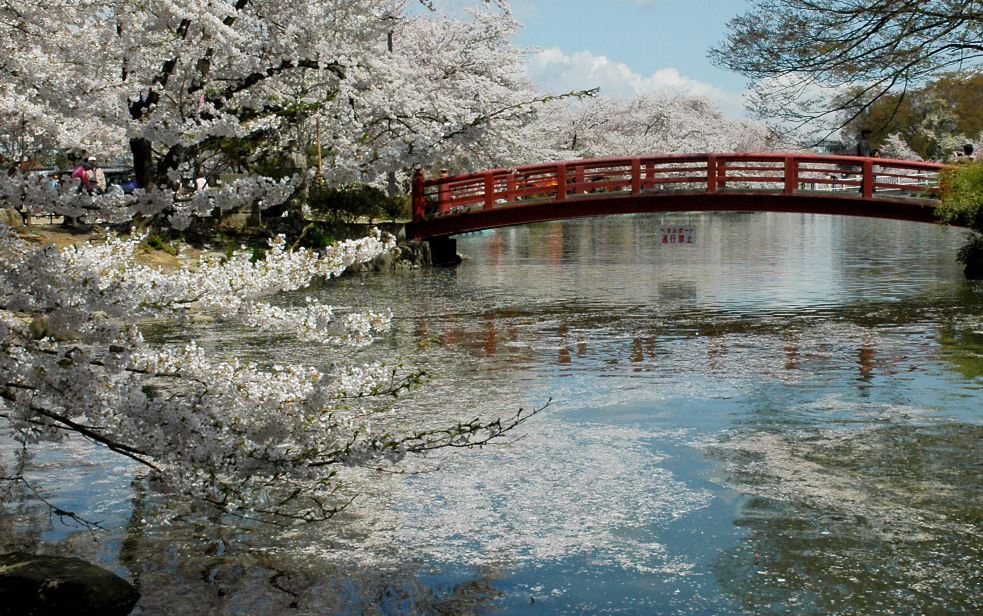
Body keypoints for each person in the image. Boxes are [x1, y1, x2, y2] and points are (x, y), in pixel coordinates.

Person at [857, 129, 873, 193]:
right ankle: (863, 190)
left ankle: (863, 189)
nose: (869, 135)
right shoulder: (862, 143)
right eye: (868, 134)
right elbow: (862, 153)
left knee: (867, 176)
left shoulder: (865, 143)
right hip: (865, 162)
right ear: (865, 134)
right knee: (867, 176)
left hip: (867, 161)